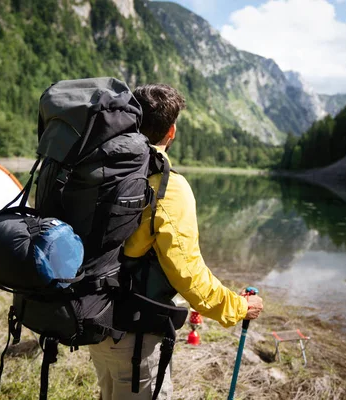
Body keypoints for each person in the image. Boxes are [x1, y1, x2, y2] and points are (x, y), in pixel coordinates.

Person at [88, 83, 264, 400]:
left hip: (95, 317)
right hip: (136, 336)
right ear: (171, 132)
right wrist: (238, 307)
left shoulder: (104, 169)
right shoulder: (168, 185)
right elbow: (188, 275)